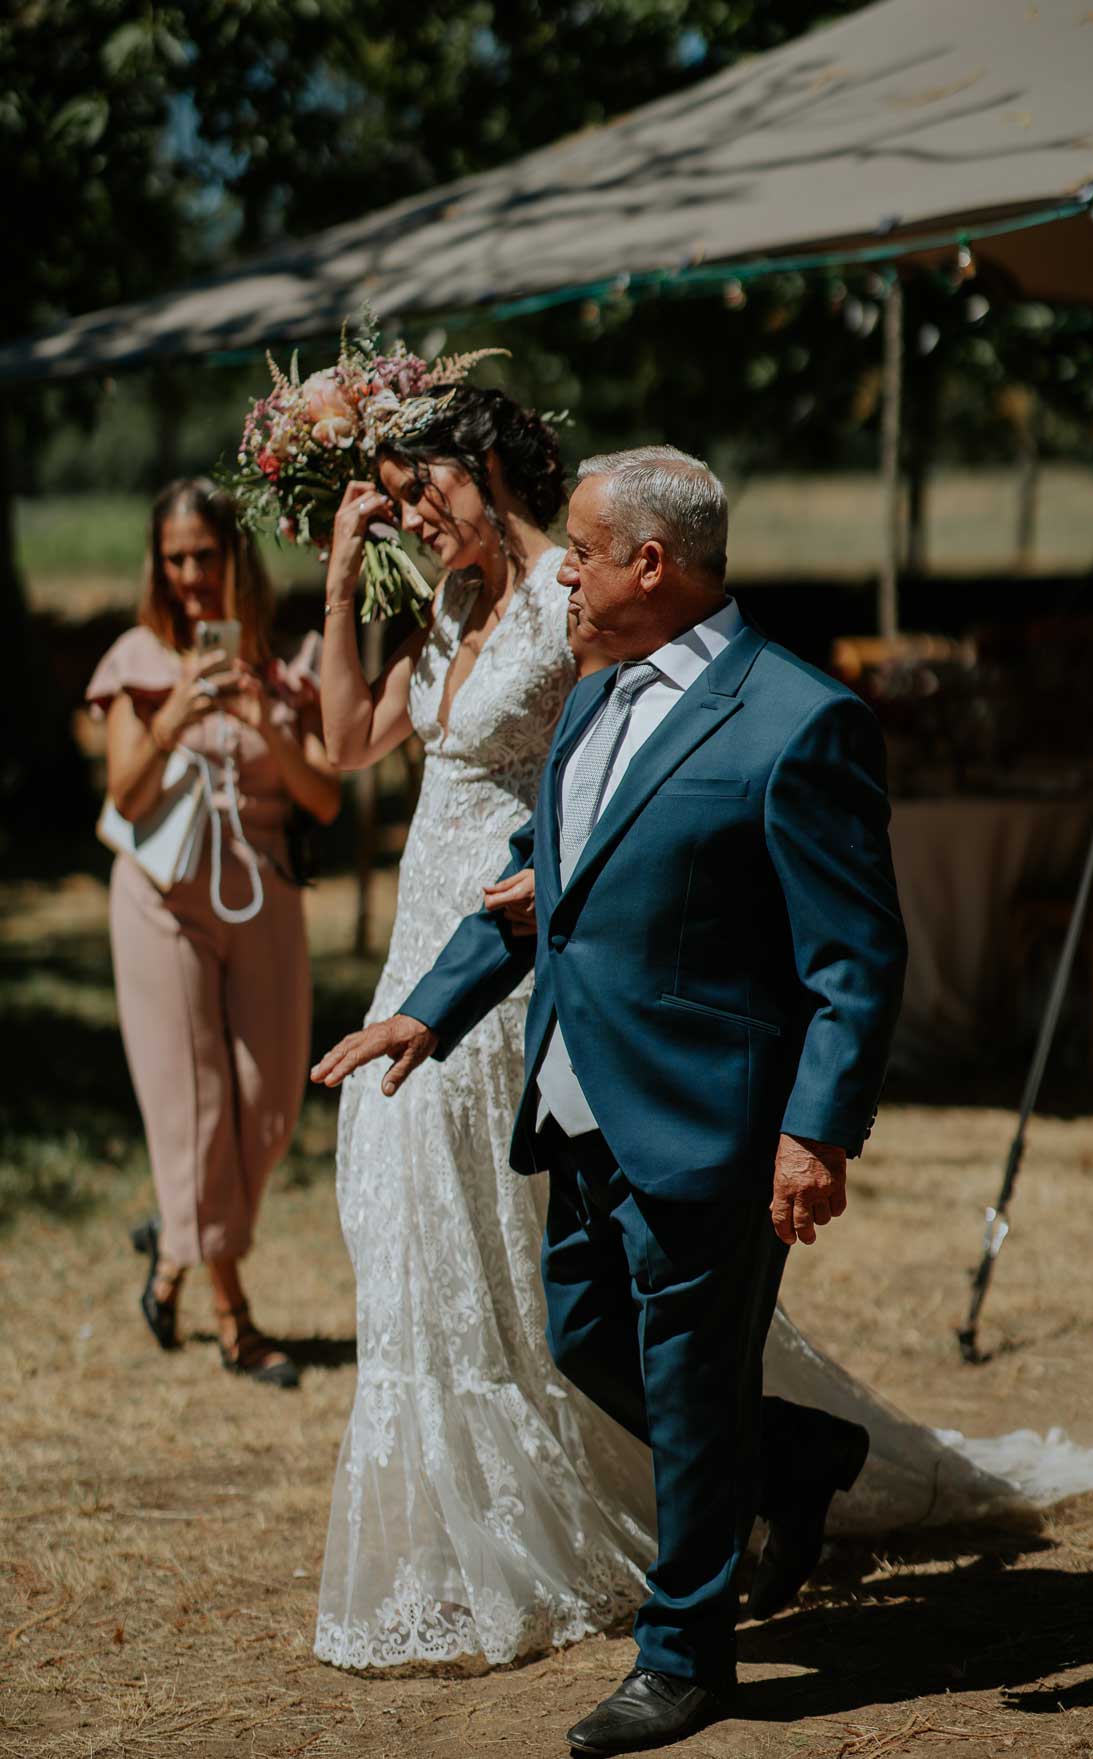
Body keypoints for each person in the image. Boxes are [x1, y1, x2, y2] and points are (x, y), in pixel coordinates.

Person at [312, 444, 908, 1753]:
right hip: (575, 1104)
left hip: (712, 1118)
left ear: (653, 562)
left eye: (581, 548)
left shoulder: (796, 719)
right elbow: (543, 881)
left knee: (692, 1387)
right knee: (585, 1338)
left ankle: (683, 1656)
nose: (562, 569)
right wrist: (430, 1004)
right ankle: (798, 1455)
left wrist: (814, 1128)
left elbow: (852, 955)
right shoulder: (589, 699)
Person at [312, 386, 660, 1673]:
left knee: (502, 1236)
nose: (413, 515)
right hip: (418, 943)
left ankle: (585, 1493)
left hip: (510, 950)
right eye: (394, 502)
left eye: (423, 490)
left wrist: (559, 870)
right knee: (401, 1203)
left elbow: (625, 739)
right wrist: (346, 578)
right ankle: (455, 1528)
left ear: (485, 464)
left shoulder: (570, 590)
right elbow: (347, 740)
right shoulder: (443, 607)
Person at [87, 477, 340, 1389]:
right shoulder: (137, 659)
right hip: (164, 900)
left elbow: (323, 795)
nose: (191, 574)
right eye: (174, 557)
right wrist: (178, 714)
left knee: (268, 1108)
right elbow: (122, 795)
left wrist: (263, 723)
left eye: (205, 553)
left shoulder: (284, 663)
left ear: (237, 554)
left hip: (264, 889)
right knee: (197, 1109)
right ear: (159, 566)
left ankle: (171, 1254)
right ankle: (234, 1315)